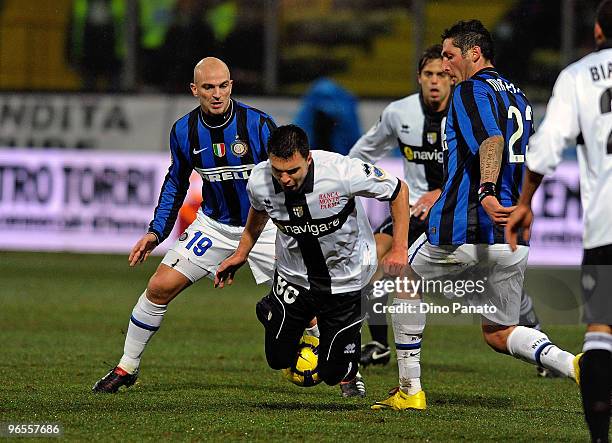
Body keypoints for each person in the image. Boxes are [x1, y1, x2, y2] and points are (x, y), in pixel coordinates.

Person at [372, 20, 579, 411]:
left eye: (449, 56)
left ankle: (409, 389)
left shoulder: (470, 89)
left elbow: (492, 140)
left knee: (402, 275)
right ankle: (576, 366)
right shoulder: (518, 96)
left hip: (465, 222)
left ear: (474, 54)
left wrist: (484, 191)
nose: (445, 66)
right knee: (499, 332)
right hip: (510, 234)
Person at [350, 44, 551, 376]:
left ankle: (531, 328)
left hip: (454, 210)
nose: (434, 81)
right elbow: (361, 155)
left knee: (477, 286)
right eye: (428, 74)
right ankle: (380, 343)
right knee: (373, 259)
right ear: (418, 78)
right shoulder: (399, 113)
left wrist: (442, 192)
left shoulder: (468, 107)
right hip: (411, 208)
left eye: (441, 75)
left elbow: (480, 159)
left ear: (450, 78)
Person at [92, 57, 277, 393]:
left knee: (304, 305)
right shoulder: (183, 130)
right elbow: (176, 183)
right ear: (195, 90)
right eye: (208, 87)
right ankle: (126, 367)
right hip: (214, 226)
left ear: (231, 86)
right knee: (159, 287)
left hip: (266, 226)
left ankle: (348, 375)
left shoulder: (261, 126)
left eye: (223, 86)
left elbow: (286, 178)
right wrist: (156, 231)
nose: (217, 94)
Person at [214, 124, 410, 398]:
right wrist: (241, 252)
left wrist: (399, 248)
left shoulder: (342, 172)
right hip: (293, 277)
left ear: (308, 159)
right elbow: (259, 211)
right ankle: (275, 308)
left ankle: (347, 362)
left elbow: (398, 190)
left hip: (345, 280)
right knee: (278, 359)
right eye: (277, 171)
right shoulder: (259, 180)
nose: (285, 179)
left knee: (333, 373)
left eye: (292, 171)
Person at [506, 1, 612, 440]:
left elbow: (548, 147)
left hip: (607, 225)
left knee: (601, 330)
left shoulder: (578, 76)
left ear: (598, 30)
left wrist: (525, 201)